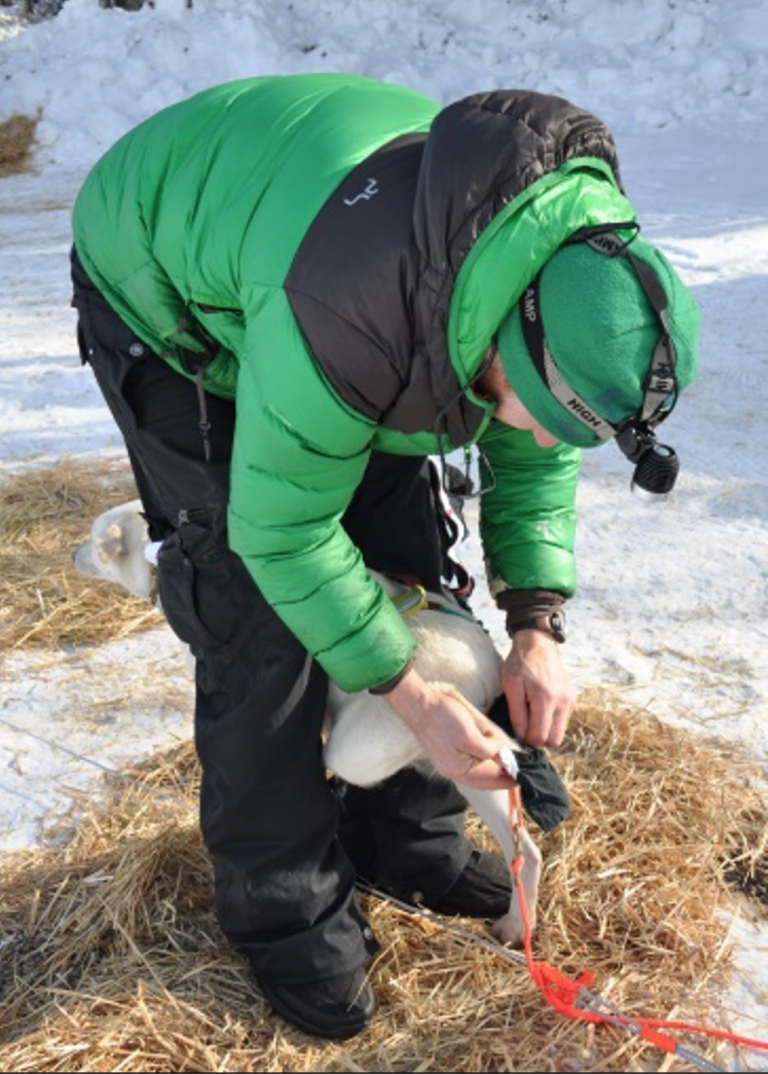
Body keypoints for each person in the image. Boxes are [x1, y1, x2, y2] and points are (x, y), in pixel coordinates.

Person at [70, 73, 700, 1039]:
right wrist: (412, 694)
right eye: (542, 410)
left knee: (404, 557)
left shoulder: (552, 280)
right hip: (168, 283)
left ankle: (407, 841)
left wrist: (536, 623)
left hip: (338, 288)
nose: (544, 438)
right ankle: (285, 910)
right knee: (258, 614)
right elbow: (282, 532)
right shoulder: (358, 313)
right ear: (506, 357)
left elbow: (530, 447)